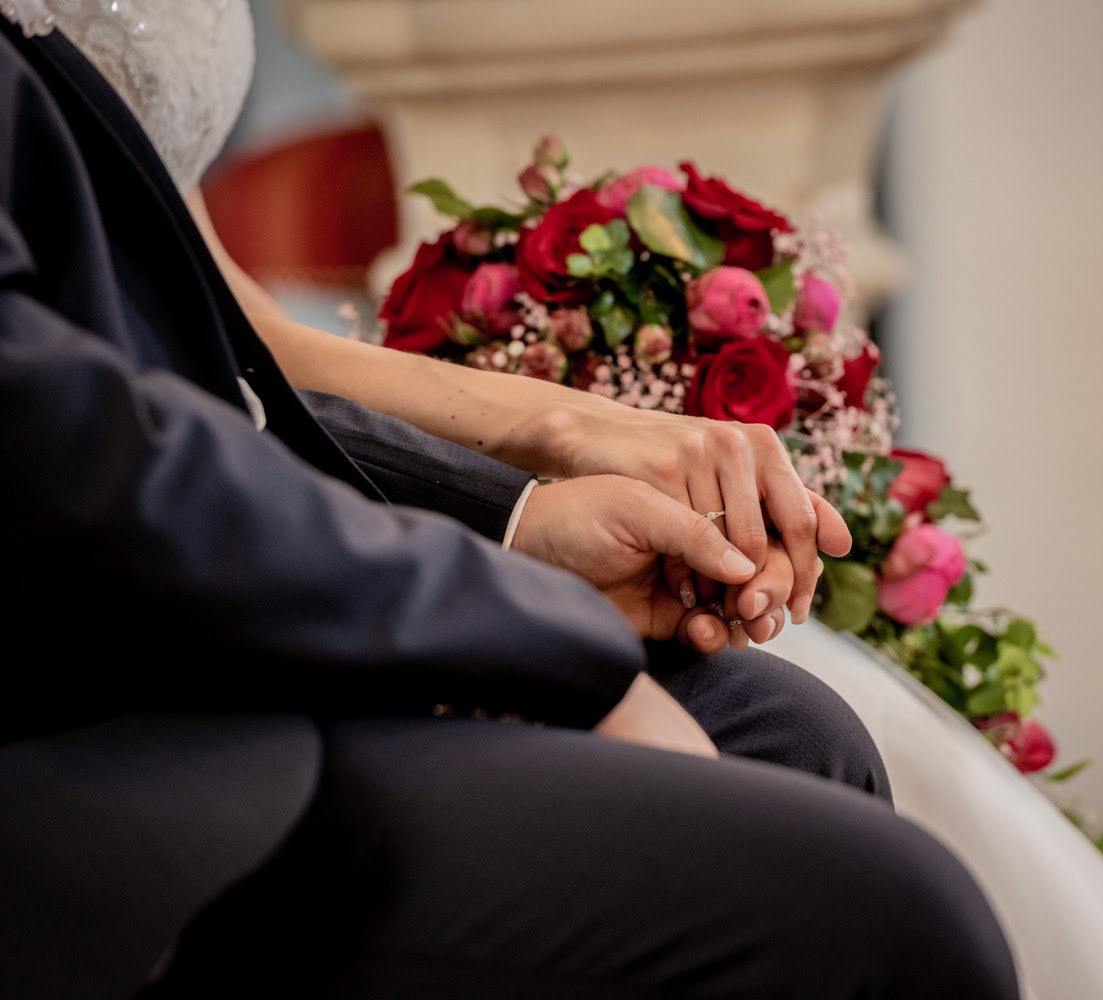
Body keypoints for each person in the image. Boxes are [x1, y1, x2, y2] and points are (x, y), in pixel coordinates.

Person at [0, 7, 1023, 999]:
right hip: (88, 723)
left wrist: (525, 503)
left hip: (196, 573)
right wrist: (522, 624)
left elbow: (211, 341)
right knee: (896, 915)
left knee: (794, 732)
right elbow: (65, 447)